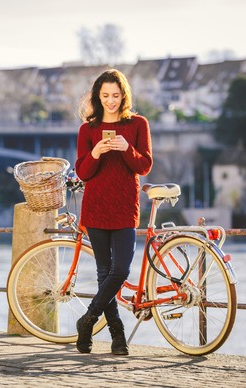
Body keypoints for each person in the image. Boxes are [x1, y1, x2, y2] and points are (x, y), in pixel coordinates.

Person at [74, 69, 153, 355]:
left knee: (120, 269)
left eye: (116, 95)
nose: (111, 101)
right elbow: (82, 172)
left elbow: (144, 166)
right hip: (95, 208)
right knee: (104, 272)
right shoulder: (88, 129)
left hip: (124, 208)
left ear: (124, 96)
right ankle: (117, 338)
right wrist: (95, 153)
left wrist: (126, 148)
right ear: (98, 97)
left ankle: (87, 319)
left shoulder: (137, 124)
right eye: (105, 96)